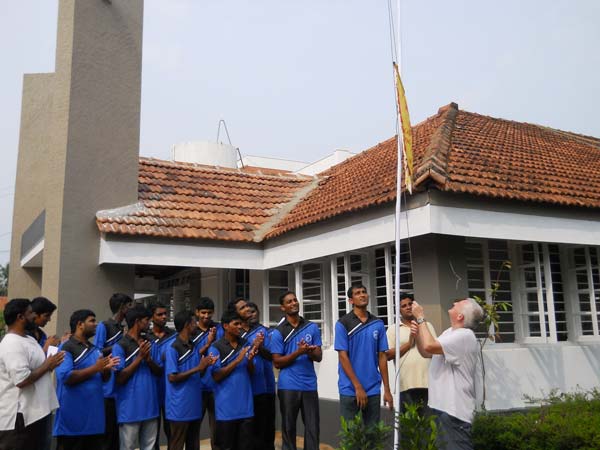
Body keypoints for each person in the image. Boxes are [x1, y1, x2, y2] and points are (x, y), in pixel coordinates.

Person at [410, 298, 484, 450]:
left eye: (460, 303)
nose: (455, 303)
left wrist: (421, 318)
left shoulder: (465, 336)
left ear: (460, 316)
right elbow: (426, 352)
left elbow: (429, 346)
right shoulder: (449, 332)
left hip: (454, 411)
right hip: (442, 407)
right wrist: (417, 335)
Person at [0, 298, 64, 450]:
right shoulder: (11, 343)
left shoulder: (29, 339)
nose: (34, 316)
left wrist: (51, 361)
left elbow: (37, 367)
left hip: (37, 413)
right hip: (19, 418)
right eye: (30, 313)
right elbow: (21, 380)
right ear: (20, 317)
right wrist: (48, 365)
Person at [53, 309, 120, 450]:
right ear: (80, 324)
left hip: (94, 421)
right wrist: (96, 368)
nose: (96, 324)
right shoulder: (66, 347)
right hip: (72, 422)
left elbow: (103, 379)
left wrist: (106, 370)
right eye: (92, 321)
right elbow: (66, 377)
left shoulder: (95, 349)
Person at [335, 283, 393, 426]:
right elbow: (343, 357)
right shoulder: (343, 324)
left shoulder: (378, 323)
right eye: (357, 293)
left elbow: (382, 356)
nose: (362, 295)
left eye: (364, 292)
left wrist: (387, 389)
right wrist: (357, 386)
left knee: (372, 434)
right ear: (351, 300)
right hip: (349, 389)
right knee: (350, 434)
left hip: (372, 388)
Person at [271, 291, 322, 450]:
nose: (294, 303)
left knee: (313, 428)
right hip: (288, 386)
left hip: (309, 385)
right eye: (289, 302)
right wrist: (298, 352)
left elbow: (319, 356)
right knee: (288, 428)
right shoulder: (278, 332)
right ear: (283, 308)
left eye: (295, 300)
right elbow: (277, 362)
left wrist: (310, 351)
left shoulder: (311, 327)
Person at [208, 310, 261, 450]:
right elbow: (216, 376)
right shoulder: (216, 347)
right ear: (225, 326)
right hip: (226, 410)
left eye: (240, 324)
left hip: (246, 408)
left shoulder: (246, 343)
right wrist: (237, 360)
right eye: (236, 324)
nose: (240, 327)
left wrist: (249, 361)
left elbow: (252, 372)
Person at [165, 311, 217, 450]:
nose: (196, 325)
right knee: (176, 445)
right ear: (187, 325)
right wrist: (198, 368)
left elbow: (198, 371)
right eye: (194, 323)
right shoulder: (172, 348)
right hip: (179, 408)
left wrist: (206, 365)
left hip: (194, 405)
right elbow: (172, 377)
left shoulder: (193, 345)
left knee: (193, 445)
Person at [113, 305, 162, 450]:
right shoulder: (120, 346)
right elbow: (120, 378)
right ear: (137, 321)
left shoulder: (150, 343)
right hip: (129, 409)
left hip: (151, 407)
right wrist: (140, 358)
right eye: (147, 320)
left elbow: (159, 371)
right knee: (128, 447)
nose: (149, 323)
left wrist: (149, 360)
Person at [95, 292, 133, 450]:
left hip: (121, 386)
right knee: (107, 435)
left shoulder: (125, 328)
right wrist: (120, 344)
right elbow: (97, 352)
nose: (130, 309)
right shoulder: (104, 326)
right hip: (108, 388)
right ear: (122, 307)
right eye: (129, 306)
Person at [385, 295, 436, 412]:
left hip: (428, 383)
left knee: (429, 421)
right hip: (406, 385)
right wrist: (409, 343)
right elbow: (388, 355)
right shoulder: (393, 329)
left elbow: (434, 350)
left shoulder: (426, 326)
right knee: (409, 422)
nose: (408, 307)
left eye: (410, 304)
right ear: (399, 310)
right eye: (404, 306)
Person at [241, 301, 275, 450]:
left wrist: (259, 346)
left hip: (265, 387)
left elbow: (272, 356)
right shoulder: (238, 333)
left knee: (266, 426)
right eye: (248, 312)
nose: (251, 314)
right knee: (249, 428)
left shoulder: (265, 332)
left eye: (253, 311)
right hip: (245, 387)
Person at [192, 296, 223, 450]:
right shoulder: (191, 330)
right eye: (203, 312)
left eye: (209, 313)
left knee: (217, 429)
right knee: (194, 428)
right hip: (197, 386)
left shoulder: (220, 329)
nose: (206, 316)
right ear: (197, 312)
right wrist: (208, 342)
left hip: (216, 386)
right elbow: (190, 357)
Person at [147, 301, 177, 450]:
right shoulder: (145, 337)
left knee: (171, 431)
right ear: (151, 317)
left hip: (169, 390)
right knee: (152, 434)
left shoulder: (174, 336)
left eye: (165, 314)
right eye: (160, 314)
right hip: (151, 390)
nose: (164, 317)